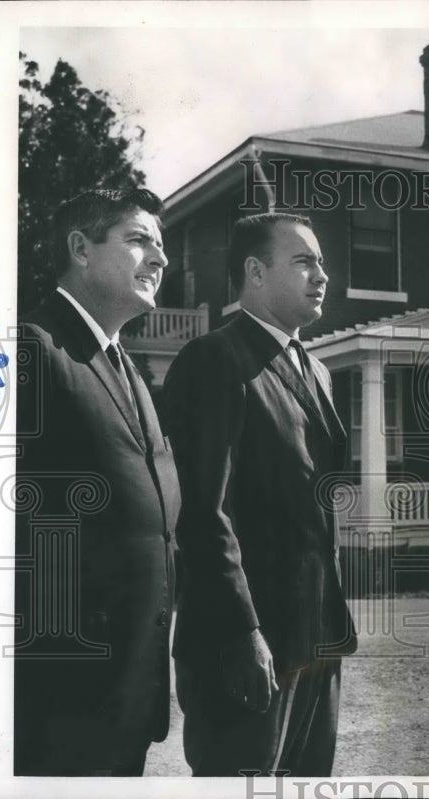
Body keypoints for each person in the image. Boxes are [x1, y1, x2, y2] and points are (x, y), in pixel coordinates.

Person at [162, 213, 356, 777]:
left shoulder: (317, 371)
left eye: (321, 261)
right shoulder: (214, 361)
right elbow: (203, 514)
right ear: (255, 272)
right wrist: (242, 631)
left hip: (318, 639)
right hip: (244, 648)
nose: (322, 275)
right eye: (303, 261)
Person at [14, 188, 180, 776]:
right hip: (62, 703)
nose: (161, 260)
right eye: (139, 241)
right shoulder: (30, 349)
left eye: (161, 247)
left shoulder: (127, 370)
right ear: (80, 249)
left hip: (129, 697)